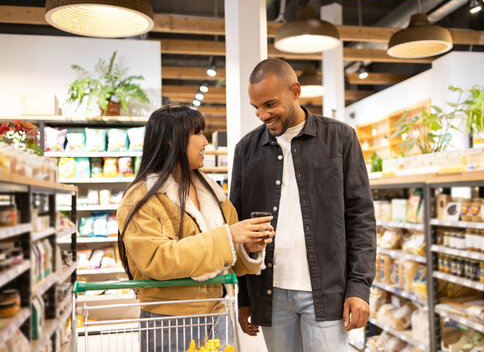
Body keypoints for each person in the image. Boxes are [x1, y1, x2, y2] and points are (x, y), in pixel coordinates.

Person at [230, 59, 376, 352]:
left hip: (327, 292)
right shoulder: (246, 149)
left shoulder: (339, 138)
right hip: (270, 291)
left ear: (295, 91)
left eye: (270, 104)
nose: (262, 115)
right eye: (256, 107)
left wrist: (359, 287)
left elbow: (360, 217)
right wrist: (245, 298)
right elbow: (240, 228)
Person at [117, 105, 275, 352]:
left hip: (219, 313)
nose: (206, 142)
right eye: (198, 133)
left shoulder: (212, 191)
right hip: (170, 322)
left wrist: (249, 247)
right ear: (172, 140)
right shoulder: (141, 198)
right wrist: (229, 237)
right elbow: (157, 259)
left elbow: (230, 259)